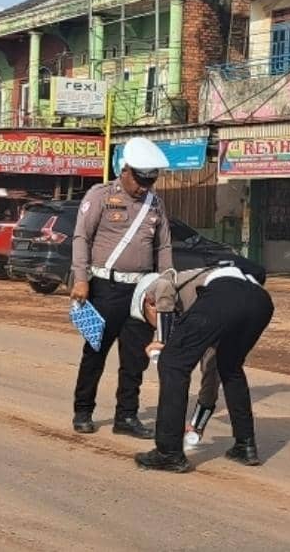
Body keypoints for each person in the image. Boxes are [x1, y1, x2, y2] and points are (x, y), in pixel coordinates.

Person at [70, 136, 172, 439]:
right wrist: (81, 279)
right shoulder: (100, 195)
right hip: (104, 288)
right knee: (95, 352)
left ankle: (126, 416)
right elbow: (81, 238)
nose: (144, 187)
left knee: (135, 358)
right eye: (140, 179)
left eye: (150, 181)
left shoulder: (155, 204)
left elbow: (163, 246)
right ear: (125, 171)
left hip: (141, 291)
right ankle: (83, 410)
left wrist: (166, 284)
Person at [131, 263, 273, 472]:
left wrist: (163, 340)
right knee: (229, 366)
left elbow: (163, 288)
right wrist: (198, 422)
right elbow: (211, 366)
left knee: (171, 363)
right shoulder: (204, 313)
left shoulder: (161, 286)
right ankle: (245, 446)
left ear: (148, 303)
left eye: (148, 318)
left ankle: (169, 453)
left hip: (226, 293)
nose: (151, 326)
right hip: (260, 302)